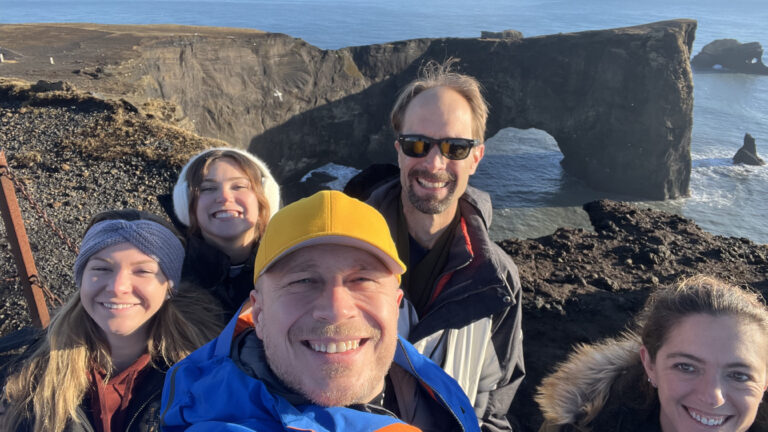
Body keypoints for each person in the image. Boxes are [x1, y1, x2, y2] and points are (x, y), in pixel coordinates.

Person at [160, 191, 481, 432]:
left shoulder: (426, 385)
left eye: (363, 280)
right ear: (259, 314)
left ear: (395, 306)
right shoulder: (220, 420)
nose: (335, 310)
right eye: (303, 281)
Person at [351, 59, 524, 431]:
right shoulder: (340, 254)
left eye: (455, 147)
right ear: (399, 151)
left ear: (476, 158)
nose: (434, 163)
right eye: (417, 144)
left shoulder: (497, 280)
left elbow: (492, 407)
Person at [1, 209, 224, 432]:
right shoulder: (19, 375)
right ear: (82, 280)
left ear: (169, 287)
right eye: (101, 268)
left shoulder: (211, 374)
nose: (118, 287)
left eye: (142, 271)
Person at [536, 275, 768, 432]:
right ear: (650, 365)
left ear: (765, 381)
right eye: (686, 367)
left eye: (739, 375)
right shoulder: (577, 425)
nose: (713, 397)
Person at [172, 147, 281, 315]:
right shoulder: (167, 274)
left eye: (238, 186)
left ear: (264, 198)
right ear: (187, 203)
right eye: (208, 188)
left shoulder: (291, 268)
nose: (224, 197)